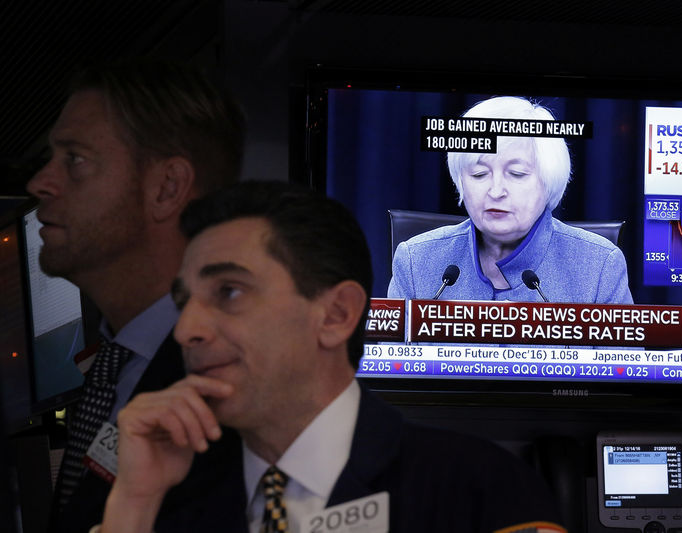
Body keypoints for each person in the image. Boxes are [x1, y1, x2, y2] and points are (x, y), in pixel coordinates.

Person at [95, 181, 565, 533]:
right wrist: (134, 505)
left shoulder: (479, 489)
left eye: (230, 292)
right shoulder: (162, 496)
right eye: (184, 302)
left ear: (336, 314)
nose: (187, 329)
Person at [25, 59, 245, 533]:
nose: (39, 182)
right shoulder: (112, 370)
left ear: (167, 188)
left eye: (75, 160)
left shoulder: (240, 393)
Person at [388, 96, 632, 304]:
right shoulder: (414, 262)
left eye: (516, 174)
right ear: (460, 181)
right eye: (479, 174)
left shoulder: (600, 267)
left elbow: (622, 361)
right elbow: (393, 360)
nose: (496, 191)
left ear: (549, 182)